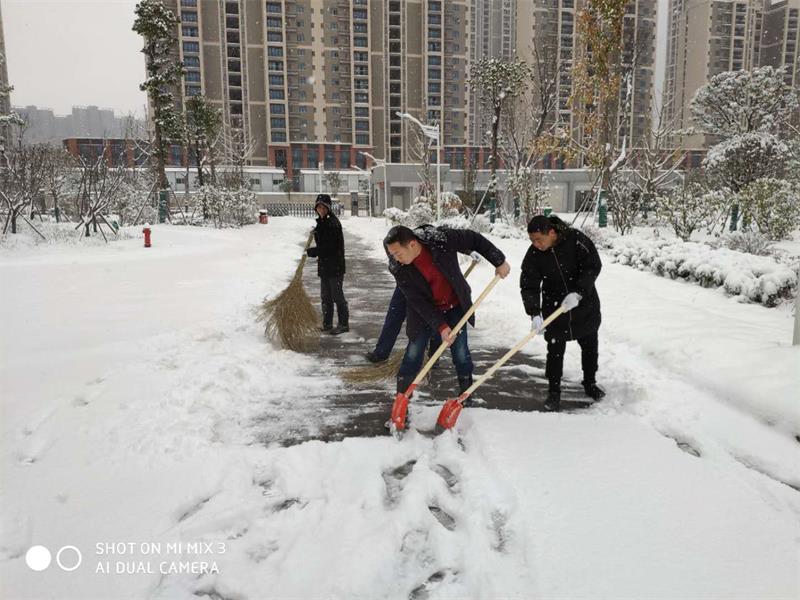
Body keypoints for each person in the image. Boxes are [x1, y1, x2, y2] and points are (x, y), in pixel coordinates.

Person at [384, 224, 511, 399]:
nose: (396, 259)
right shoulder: (399, 268)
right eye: (392, 255)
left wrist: (499, 261)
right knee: (413, 354)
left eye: (398, 253)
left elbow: (474, 239)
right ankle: (402, 399)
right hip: (423, 312)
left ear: (412, 244)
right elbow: (418, 302)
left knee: (460, 353)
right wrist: (441, 327)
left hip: (454, 305)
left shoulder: (440, 239)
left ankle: (466, 393)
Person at [520, 214, 605, 412]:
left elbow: (593, 265)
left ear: (551, 232)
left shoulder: (576, 240)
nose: (536, 244)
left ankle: (590, 382)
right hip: (555, 307)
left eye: (538, 239)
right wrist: (534, 313)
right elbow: (529, 284)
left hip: (584, 305)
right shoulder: (534, 253)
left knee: (590, 345)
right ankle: (554, 391)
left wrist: (579, 292)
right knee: (555, 350)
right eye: (532, 240)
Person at [306, 194, 349, 335]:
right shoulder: (322, 222)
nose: (321, 209)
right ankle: (327, 323)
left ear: (328, 208)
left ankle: (343, 324)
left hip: (335, 266)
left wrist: (314, 251)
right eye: (319, 206)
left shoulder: (333, 223)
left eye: (324, 206)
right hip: (325, 266)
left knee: (337, 296)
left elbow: (330, 247)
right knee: (325, 297)